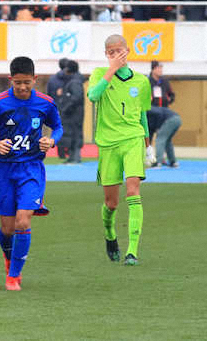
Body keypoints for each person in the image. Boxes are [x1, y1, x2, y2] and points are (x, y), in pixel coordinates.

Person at [0, 57, 63, 291]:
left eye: (26, 82)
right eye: (17, 82)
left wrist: (51, 140)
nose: (22, 87)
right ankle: (9, 258)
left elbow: (58, 127)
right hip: (3, 169)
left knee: (22, 221)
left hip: (31, 168)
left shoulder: (45, 103)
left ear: (35, 79)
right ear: (10, 79)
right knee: (7, 229)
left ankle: (14, 276)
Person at [89, 35, 151, 266]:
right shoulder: (99, 74)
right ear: (106, 54)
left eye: (119, 51)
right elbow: (93, 96)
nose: (116, 55)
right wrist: (111, 70)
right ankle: (110, 234)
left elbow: (142, 113)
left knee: (133, 190)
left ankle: (132, 251)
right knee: (111, 203)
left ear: (128, 51)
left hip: (133, 138)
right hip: (108, 143)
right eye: (111, 52)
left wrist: (147, 142)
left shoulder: (142, 81)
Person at [54, 60, 84, 163]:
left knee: (75, 135)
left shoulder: (75, 82)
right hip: (73, 114)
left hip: (74, 115)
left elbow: (76, 98)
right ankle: (72, 157)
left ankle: (76, 157)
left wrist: (65, 109)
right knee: (71, 135)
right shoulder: (73, 81)